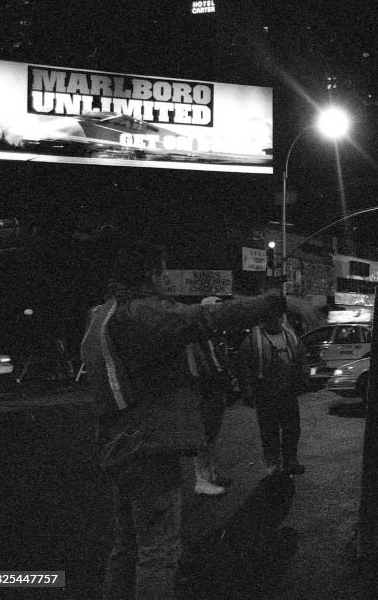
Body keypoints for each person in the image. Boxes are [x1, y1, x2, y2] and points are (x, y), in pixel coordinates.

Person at [81, 241, 292, 599]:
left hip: (119, 445)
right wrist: (276, 301)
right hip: (147, 448)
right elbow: (206, 318)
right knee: (158, 553)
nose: (166, 278)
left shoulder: (103, 314)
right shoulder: (142, 314)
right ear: (148, 274)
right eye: (162, 271)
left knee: (127, 546)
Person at [237, 314, 307, 476]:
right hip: (265, 392)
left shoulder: (290, 336)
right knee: (269, 431)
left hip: (288, 391)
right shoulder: (253, 340)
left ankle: (290, 461)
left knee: (292, 429)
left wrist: (303, 379)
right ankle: (273, 464)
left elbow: (301, 357)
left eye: (279, 318)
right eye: (273, 318)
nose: (277, 321)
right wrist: (247, 390)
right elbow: (244, 366)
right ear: (265, 320)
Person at [185, 296, 237, 496]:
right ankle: (202, 479)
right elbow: (196, 367)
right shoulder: (195, 337)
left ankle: (212, 475)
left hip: (215, 389)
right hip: (204, 390)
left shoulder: (214, 336)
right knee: (204, 436)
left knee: (212, 436)